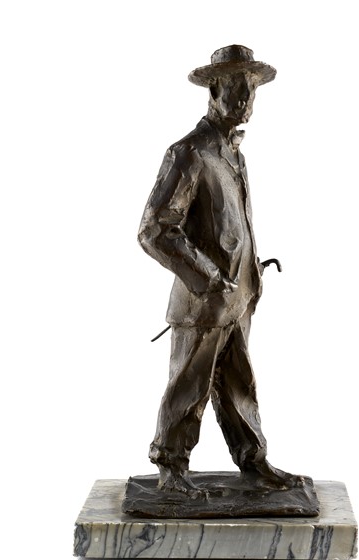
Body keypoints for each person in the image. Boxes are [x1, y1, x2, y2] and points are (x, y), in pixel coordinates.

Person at [138, 45, 303, 495]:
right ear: (213, 90)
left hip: (239, 294)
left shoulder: (235, 155)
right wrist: (208, 276)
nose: (247, 99)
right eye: (237, 88)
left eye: (252, 90)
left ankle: (254, 461)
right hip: (202, 300)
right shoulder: (188, 152)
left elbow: (234, 225)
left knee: (238, 384)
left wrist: (250, 274)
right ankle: (171, 467)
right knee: (188, 387)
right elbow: (155, 230)